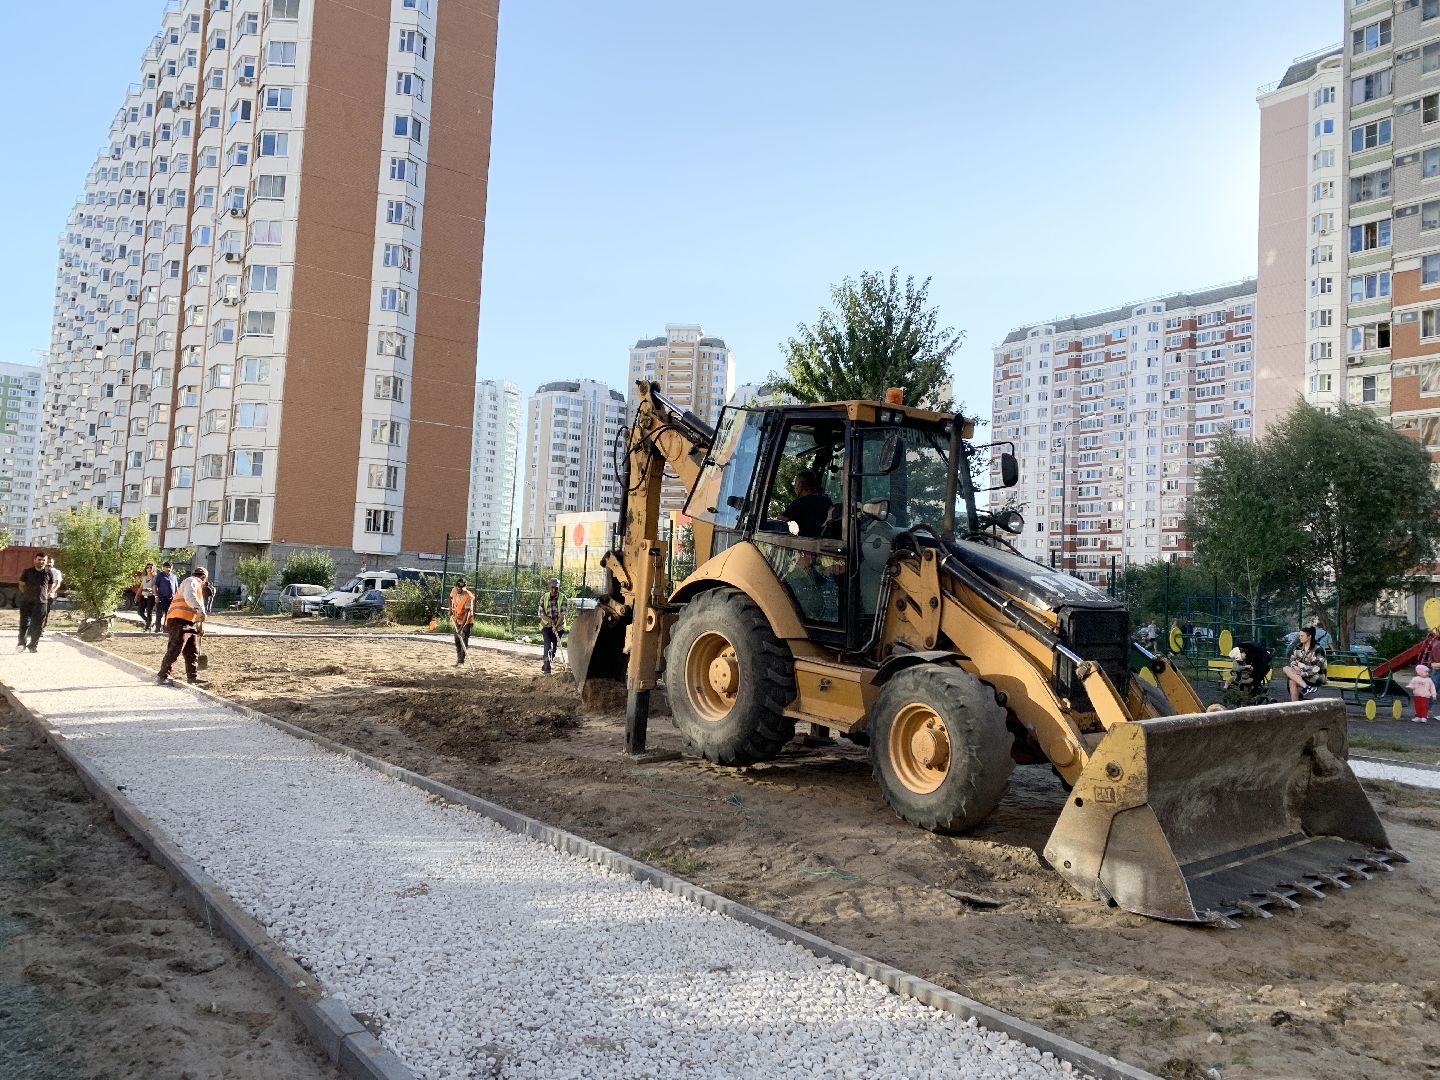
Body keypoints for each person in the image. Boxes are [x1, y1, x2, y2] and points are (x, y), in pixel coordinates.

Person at [157, 567, 209, 687]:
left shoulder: (197, 587)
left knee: (192, 650)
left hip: (189, 622)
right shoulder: (191, 581)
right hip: (178, 620)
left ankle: (192, 677)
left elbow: (198, 611)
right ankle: (162, 675)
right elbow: (190, 598)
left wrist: (199, 627)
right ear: (204, 577)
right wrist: (200, 611)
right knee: (175, 648)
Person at [778, 470, 833, 539]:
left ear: (800, 485)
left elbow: (781, 521)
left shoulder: (798, 503)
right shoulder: (827, 501)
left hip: (802, 543)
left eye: (795, 483)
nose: (794, 486)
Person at [16, 552, 51, 653]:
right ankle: (22, 644)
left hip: (41, 603)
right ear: (34, 560)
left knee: (38, 626)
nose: (41, 562)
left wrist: (44, 595)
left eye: (43, 560)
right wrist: (27, 594)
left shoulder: (48, 573)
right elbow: (21, 584)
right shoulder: (27, 572)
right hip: (27, 602)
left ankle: (33, 646)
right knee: (24, 624)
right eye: (39, 559)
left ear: (45, 562)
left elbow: (50, 585)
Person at [1283, 626, 1328, 702]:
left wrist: (1301, 671)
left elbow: (1316, 668)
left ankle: (1295, 705)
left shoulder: (1318, 649)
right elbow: (1292, 659)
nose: (1300, 637)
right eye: (1299, 635)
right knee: (1286, 668)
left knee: (1292, 680)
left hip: (1316, 677)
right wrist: (1294, 666)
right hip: (1302, 676)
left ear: (1309, 637)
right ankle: (1306, 689)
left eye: (1302, 636)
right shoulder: (1298, 647)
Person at [537, 577, 567, 675]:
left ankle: (547, 662)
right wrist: (551, 622)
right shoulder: (544, 597)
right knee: (548, 645)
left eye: (556, 588)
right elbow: (541, 614)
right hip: (546, 625)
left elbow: (562, 615)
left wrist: (556, 625)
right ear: (549, 587)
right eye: (552, 587)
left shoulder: (563, 598)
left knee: (553, 648)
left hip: (559, 626)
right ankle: (547, 670)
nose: (554, 590)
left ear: (558, 588)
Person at [450, 576, 475, 666]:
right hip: (457, 618)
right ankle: (458, 659)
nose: (459, 590)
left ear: (465, 587)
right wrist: (450, 610)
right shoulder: (454, 590)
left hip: (467, 621)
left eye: (462, 588)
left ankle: (462, 662)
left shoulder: (468, 596)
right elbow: (450, 598)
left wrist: (461, 628)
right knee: (457, 641)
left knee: (464, 640)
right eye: (458, 588)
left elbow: (467, 614)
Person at [153, 562, 178, 632]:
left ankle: (166, 628)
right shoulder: (159, 575)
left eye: (170, 567)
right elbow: (155, 586)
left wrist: (176, 597)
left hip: (170, 599)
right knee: (159, 614)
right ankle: (157, 628)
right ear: (163, 568)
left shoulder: (174, 576)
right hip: (161, 598)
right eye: (166, 567)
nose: (168, 568)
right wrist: (156, 596)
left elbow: (176, 588)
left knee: (168, 615)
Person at [136, 562, 157, 631]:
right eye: (147, 567)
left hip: (151, 597)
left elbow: (155, 588)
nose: (149, 569)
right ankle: (149, 622)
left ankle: (147, 627)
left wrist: (155, 595)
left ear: (153, 569)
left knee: (149, 612)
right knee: (140, 611)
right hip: (143, 596)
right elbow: (141, 587)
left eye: (151, 567)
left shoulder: (155, 578)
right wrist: (136, 595)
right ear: (145, 569)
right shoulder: (144, 577)